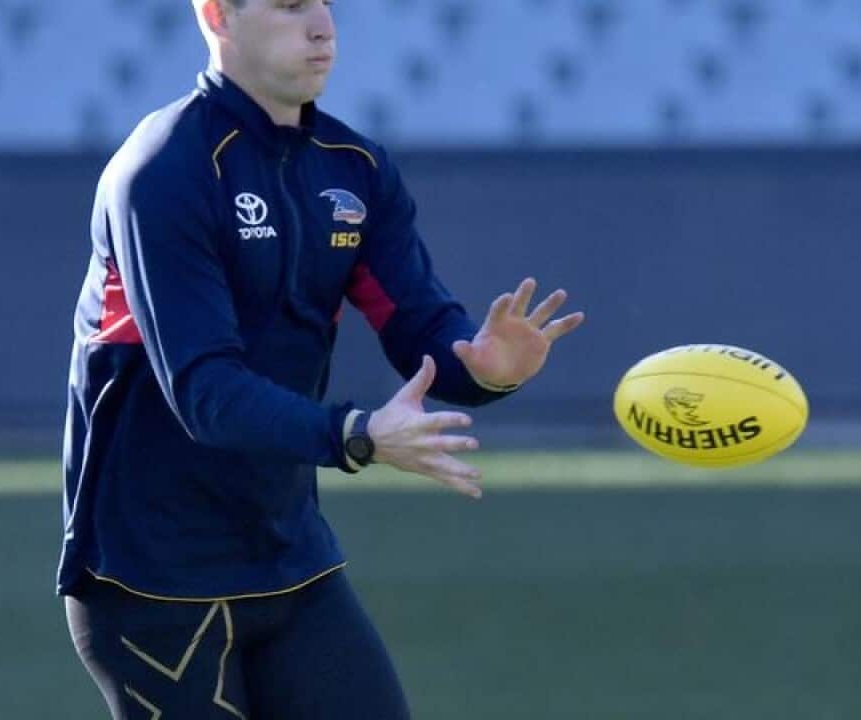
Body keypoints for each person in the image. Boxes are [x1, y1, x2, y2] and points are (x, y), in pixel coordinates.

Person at [58, 0, 585, 717]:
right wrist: (356, 434)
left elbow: (418, 323)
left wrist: (482, 366)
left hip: (289, 559)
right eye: (289, 5)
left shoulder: (354, 169)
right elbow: (206, 393)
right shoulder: (164, 169)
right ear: (217, 14)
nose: (322, 27)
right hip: (153, 580)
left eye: (325, 4)